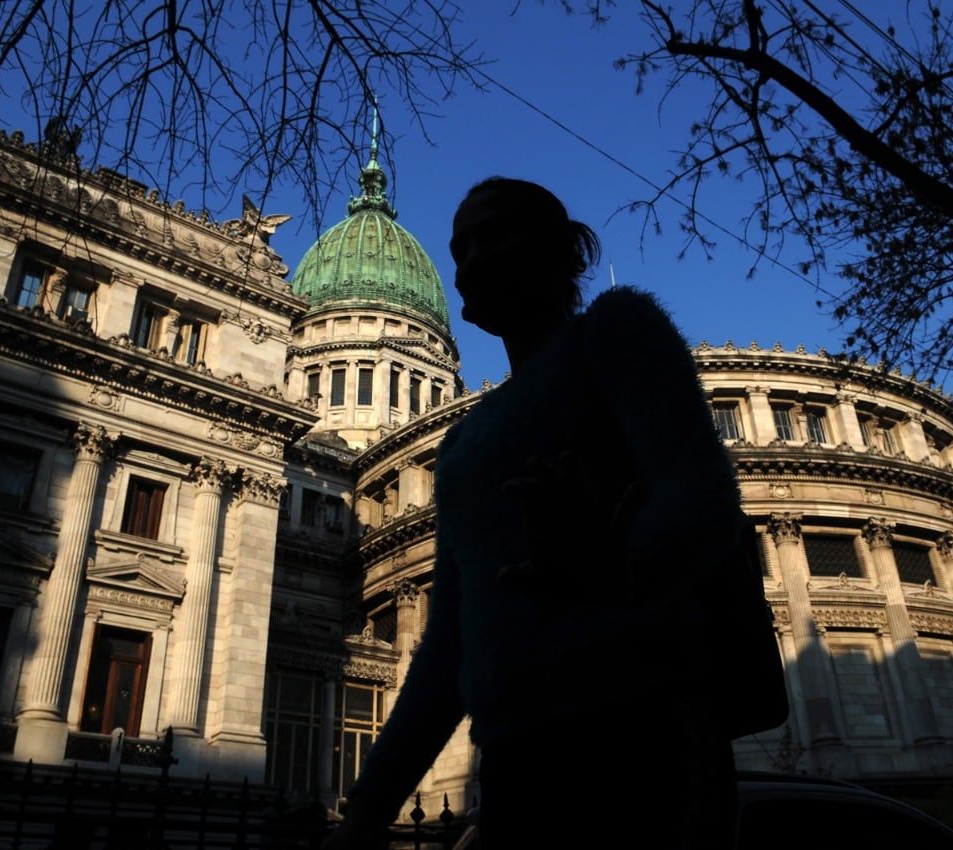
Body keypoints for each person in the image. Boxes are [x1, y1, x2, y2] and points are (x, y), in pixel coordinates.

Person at [325, 177, 778, 850]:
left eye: (496, 233)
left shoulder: (617, 332)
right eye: (461, 246)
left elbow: (702, 495)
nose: (473, 258)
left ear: (561, 252)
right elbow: (448, 642)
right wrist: (370, 804)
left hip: (643, 728)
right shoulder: (462, 444)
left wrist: (619, 570)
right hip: (515, 757)